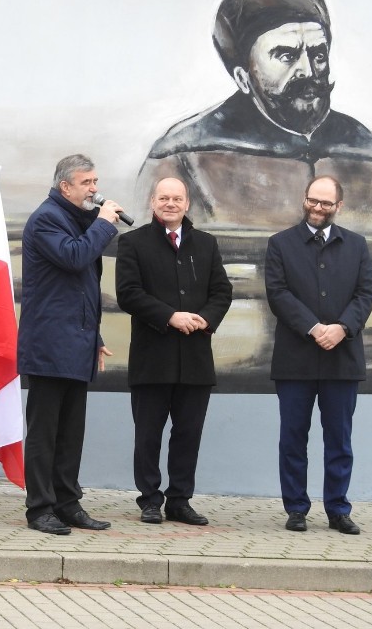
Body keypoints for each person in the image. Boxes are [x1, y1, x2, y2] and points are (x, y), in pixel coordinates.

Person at [136, 0, 372, 232]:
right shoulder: (182, 158)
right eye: (286, 55)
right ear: (243, 77)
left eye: (318, 55)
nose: (308, 71)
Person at [18, 154, 126, 535]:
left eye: (96, 181)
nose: (95, 189)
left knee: (70, 433)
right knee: (45, 432)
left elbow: (79, 291)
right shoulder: (46, 218)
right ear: (66, 186)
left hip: (76, 345)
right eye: (87, 182)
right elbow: (75, 257)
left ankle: (67, 503)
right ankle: (40, 508)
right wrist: (102, 223)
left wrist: (93, 337)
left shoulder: (73, 219)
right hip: (48, 346)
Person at [116, 177, 232, 525]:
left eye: (177, 198)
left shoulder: (206, 244)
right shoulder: (133, 243)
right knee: (148, 434)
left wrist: (204, 320)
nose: (170, 203)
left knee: (188, 434)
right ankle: (150, 499)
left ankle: (180, 500)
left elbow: (222, 292)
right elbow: (129, 293)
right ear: (153, 202)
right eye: (163, 198)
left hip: (195, 359)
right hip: (152, 358)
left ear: (187, 204)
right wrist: (170, 316)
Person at [264, 175, 372, 534]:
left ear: (338, 207)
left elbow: (366, 293)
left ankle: (337, 509)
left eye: (326, 203)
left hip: (341, 360)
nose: (317, 207)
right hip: (295, 359)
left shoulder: (357, 245)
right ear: (304, 199)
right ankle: (296, 508)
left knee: (339, 440)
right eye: (313, 200)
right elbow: (278, 293)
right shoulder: (280, 244)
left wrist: (342, 328)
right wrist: (314, 328)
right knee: (293, 438)